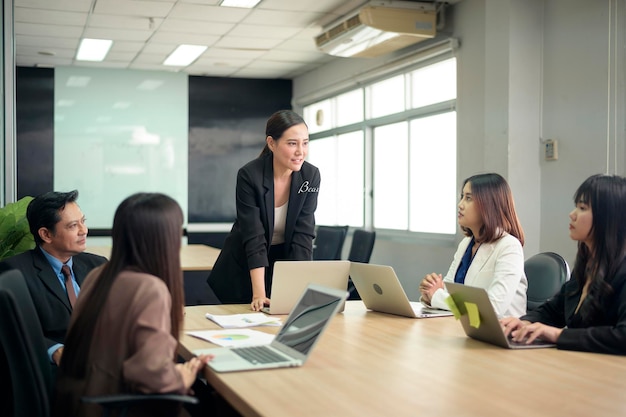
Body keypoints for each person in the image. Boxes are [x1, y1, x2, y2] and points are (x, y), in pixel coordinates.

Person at [54, 193, 211, 417]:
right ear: (164, 240)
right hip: (119, 406)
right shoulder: (150, 288)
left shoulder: (98, 275)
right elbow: (152, 377)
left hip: (84, 402)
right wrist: (183, 375)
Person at [208, 110, 320, 311]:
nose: (300, 151)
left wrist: (299, 289)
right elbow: (254, 237)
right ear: (271, 143)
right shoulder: (250, 176)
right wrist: (259, 293)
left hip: (281, 262)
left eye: (305, 143)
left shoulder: (310, 176)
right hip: (245, 267)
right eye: (292, 143)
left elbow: (303, 236)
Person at [502, 174, 626, 354]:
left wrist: (558, 335)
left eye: (582, 208)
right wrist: (524, 322)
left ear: (608, 217)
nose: (572, 214)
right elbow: (554, 310)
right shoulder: (588, 266)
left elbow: (622, 336)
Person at [0, 190, 106, 367]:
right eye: (73, 226)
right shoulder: (15, 271)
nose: (84, 230)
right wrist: (54, 349)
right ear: (46, 234)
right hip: (59, 372)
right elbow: (11, 330)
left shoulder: (98, 265)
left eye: (83, 222)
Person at [419, 173, 527, 318]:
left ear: (489, 205)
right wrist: (429, 294)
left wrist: (437, 297)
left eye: (468, 198)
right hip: (466, 327)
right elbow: (447, 290)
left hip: (501, 334)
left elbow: (493, 308)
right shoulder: (466, 244)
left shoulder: (509, 247)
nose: (460, 204)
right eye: (462, 197)